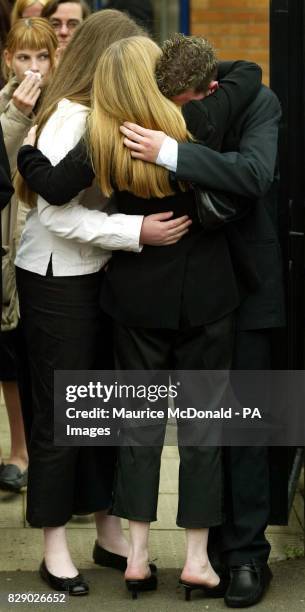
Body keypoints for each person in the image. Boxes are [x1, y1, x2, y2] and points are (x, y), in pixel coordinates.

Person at [17, 34, 263, 599]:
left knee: (136, 429)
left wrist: (28, 149)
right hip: (207, 294)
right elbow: (247, 72)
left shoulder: (106, 135)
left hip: (135, 296)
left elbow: (52, 189)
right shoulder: (197, 117)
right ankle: (199, 560)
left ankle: (138, 557)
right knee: (203, 431)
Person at [14, 10, 190, 596]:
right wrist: (135, 234)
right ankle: (54, 547)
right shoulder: (71, 119)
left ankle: (108, 534)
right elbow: (54, 213)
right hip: (57, 279)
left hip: (94, 278)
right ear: (110, 60)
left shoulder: (103, 117)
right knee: (63, 417)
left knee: (99, 413)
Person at [116, 35, 286, 608]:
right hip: (193, 286)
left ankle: (246, 556)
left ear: (210, 90)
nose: (183, 117)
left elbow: (255, 173)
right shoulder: (167, 93)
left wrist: (172, 152)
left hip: (251, 283)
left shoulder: (257, 100)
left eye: (190, 105)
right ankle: (203, 553)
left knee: (247, 426)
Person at [0, 17, 58, 492]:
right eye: (24, 57)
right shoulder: (3, 107)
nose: (33, 68)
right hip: (8, 262)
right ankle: (22, 453)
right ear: (8, 61)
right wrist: (17, 116)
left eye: (42, 57)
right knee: (13, 364)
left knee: (49, 369)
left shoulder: (65, 111)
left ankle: (58, 473)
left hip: (51, 259)